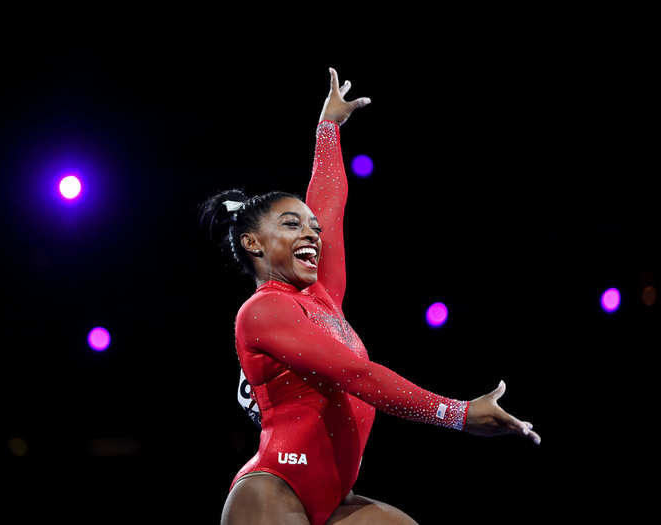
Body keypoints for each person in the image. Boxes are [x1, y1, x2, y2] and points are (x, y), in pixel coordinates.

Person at [199, 67, 541, 525]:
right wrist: (456, 414)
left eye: (310, 228)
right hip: (275, 493)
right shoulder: (261, 312)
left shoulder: (323, 296)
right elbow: (357, 374)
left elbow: (329, 205)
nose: (311, 234)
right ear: (252, 243)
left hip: (338, 497)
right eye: (291, 224)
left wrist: (328, 129)